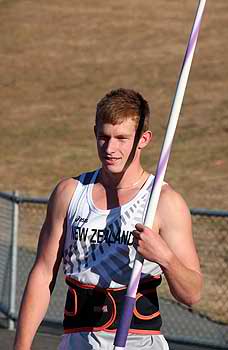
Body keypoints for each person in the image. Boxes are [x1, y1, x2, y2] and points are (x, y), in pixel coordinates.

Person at [14, 88, 203, 350]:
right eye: (104, 137)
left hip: (139, 343)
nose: (110, 148)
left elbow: (192, 293)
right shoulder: (70, 193)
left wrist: (165, 257)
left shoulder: (164, 202)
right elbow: (43, 272)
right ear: (94, 133)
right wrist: (21, 345)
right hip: (77, 340)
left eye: (122, 138)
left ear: (143, 139)